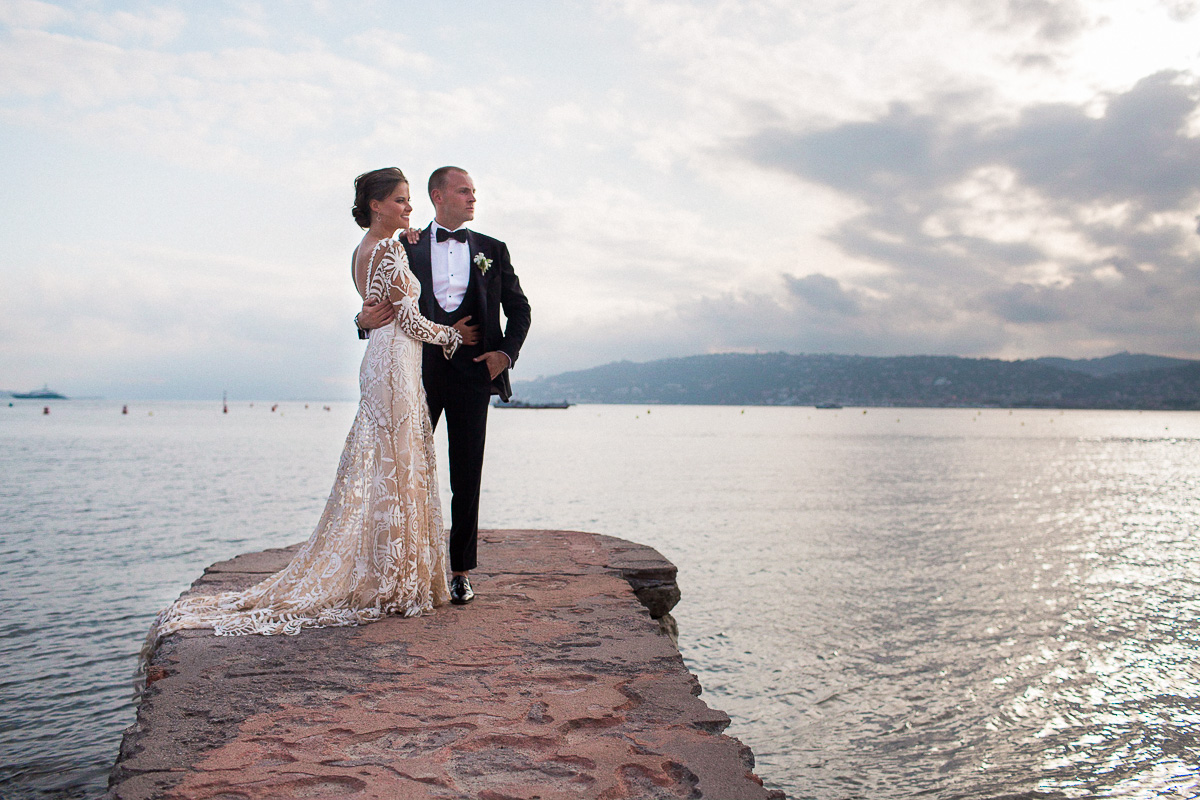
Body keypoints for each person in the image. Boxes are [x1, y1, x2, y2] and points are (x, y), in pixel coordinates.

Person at [144, 168, 478, 648]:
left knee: (393, 465)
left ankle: (395, 571)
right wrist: (451, 336)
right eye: (401, 201)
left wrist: (397, 253)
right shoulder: (386, 250)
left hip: (382, 361)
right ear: (378, 204)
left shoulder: (363, 250)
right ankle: (399, 579)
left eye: (409, 201)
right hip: (395, 366)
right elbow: (407, 317)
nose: (409, 208)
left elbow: (374, 305)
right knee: (400, 465)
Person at [357, 166, 531, 605]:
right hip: (419, 377)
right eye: (464, 191)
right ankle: (405, 565)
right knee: (406, 470)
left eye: (474, 192)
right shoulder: (405, 246)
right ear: (438, 196)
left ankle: (460, 572)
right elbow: (380, 306)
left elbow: (521, 309)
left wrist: (504, 354)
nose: (473, 198)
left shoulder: (493, 249)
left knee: (467, 475)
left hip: (476, 375)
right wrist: (361, 324)